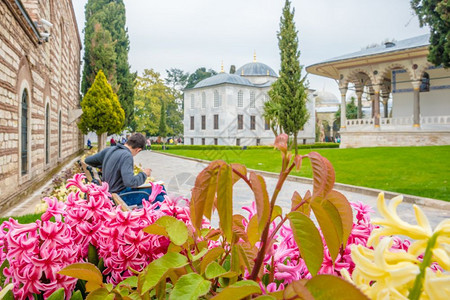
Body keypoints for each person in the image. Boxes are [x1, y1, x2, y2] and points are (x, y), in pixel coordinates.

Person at [85, 133, 165, 207]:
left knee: (157, 190)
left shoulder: (110, 150)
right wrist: (144, 174)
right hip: (120, 197)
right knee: (160, 191)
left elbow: (88, 160)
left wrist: (106, 165)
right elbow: (130, 182)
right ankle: (162, 219)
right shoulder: (127, 156)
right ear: (138, 150)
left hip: (111, 193)